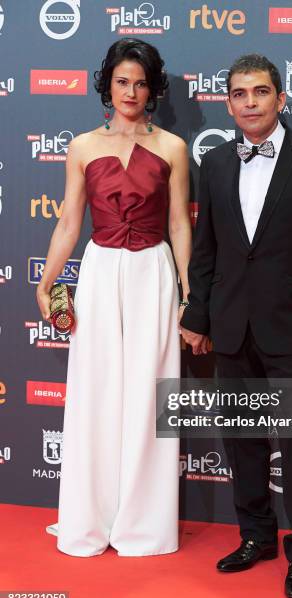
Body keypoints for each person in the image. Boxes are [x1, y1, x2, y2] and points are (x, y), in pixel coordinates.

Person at [180, 54, 292, 598]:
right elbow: (206, 252)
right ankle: (256, 536)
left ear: (280, 97)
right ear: (228, 102)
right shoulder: (218, 164)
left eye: (259, 92)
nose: (249, 102)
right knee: (242, 441)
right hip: (230, 327)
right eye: (238, 93)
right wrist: (198, 315)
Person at [36, 38, 191, 557]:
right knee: (97, 391)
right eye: (122, 81)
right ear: (107, 84)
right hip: (101, 272)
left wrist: (188, 286)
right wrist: (46, 280)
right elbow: (68, 222)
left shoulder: (172, 147)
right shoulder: (82, 146)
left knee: (151, 395)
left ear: (153, 89)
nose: (131, 91)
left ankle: (143, 525)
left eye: (141, 82)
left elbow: (177, 224)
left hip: (153, 272)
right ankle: (91, 517)